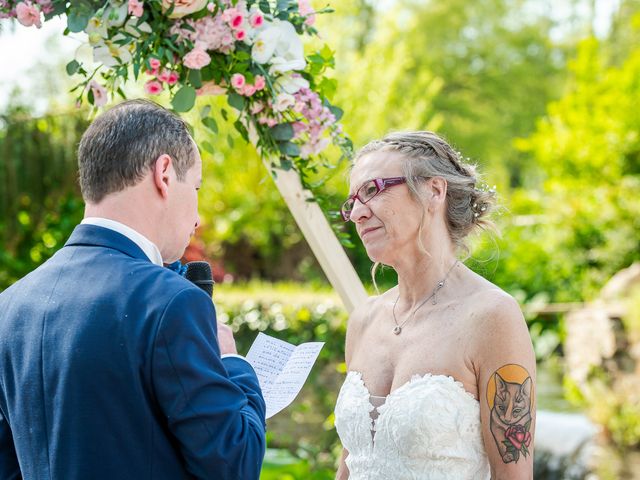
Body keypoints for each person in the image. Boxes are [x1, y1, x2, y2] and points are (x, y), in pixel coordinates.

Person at [0, 99, 266, 479]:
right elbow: (234, 464)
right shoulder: (170, 301)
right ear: (164, 173)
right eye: (197, 187)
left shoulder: (8, 306)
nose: (197, 216)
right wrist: (233, 363)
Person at [334, 131, 535, 479]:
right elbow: (351, 464)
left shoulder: (491, 316)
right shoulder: (364, 320)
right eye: (352, 201)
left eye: (372, 190)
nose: (356, 214)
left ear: (434, 191)